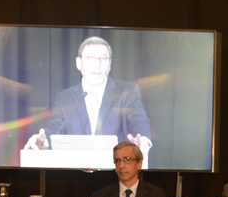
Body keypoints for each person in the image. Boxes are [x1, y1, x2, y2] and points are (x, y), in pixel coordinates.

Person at [25, 37, 153, 165]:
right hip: (74, 174)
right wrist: (42, 142)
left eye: (103, 59)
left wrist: (143, 140)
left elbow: (139, 119)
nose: (97, 65)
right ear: (78, 63)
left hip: (116, 171)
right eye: (90, 58)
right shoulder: (64, 98)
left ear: (109, 64)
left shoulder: (127, 92)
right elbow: (53, 129)